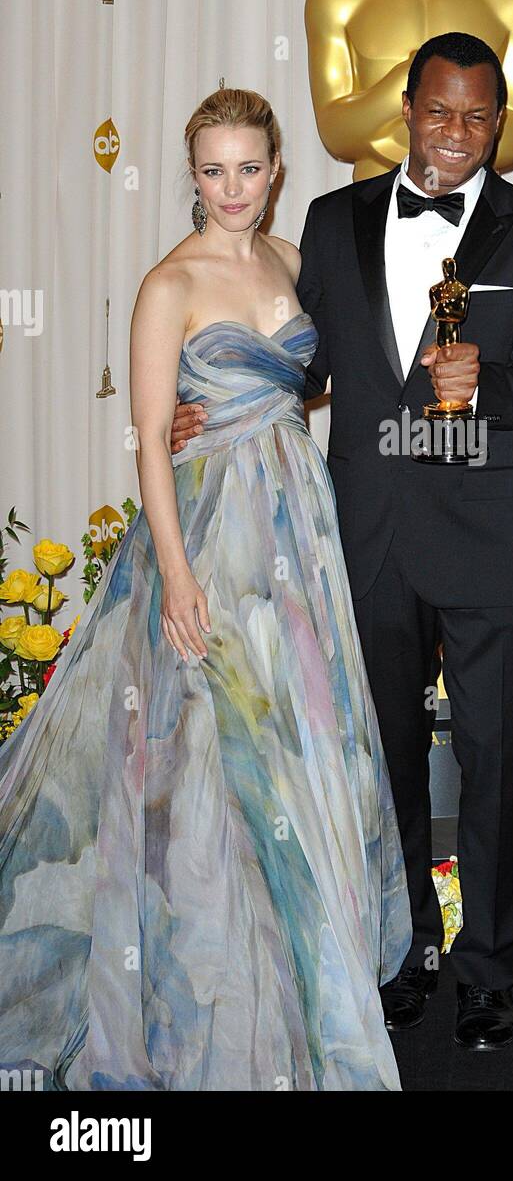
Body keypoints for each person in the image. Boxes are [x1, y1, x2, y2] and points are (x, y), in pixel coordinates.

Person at [171, 34, 513, 1049]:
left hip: (486, 542)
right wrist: (211, 411)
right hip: (359, 536)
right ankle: (407, 952)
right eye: (439, 111)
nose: (456, 133)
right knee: (380, 759)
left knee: (494, 760)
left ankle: (487, 971)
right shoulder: (328, 218)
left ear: (501, 124)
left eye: (478, 117)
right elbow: (307, 367)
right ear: (406, 107)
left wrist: (483, 384)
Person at [0, 89, 411, 1091]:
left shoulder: (295, 263)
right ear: (192, 175)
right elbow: (147, 437)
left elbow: (310, 379)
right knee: (208, 766)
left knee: (298, 748)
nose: (233, 187)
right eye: (214, 169)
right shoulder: (167, 283)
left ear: (275, 172)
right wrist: (177, 575)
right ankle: (213, 1014)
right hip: (208, 536)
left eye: (250, 168)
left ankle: (305, 982)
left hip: (297, 527)